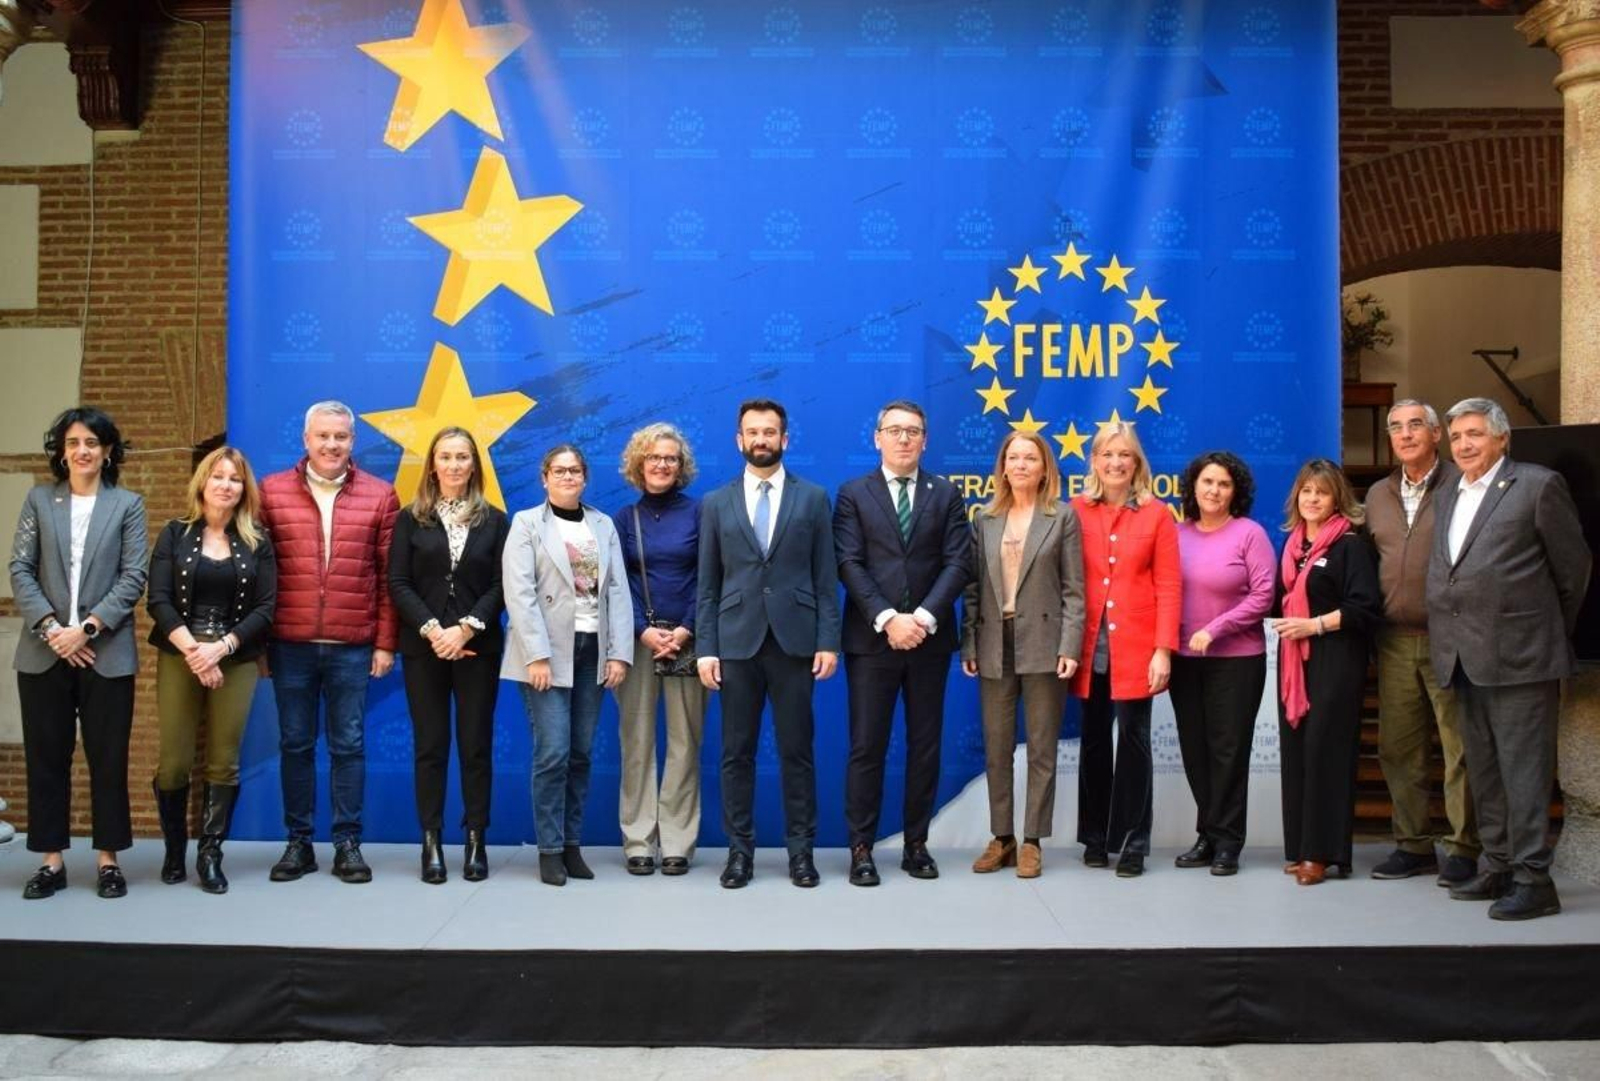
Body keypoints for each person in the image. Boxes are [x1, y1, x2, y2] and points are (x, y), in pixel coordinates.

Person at [1427, 397, 1590, 920]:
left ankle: (1533, 878)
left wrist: (1540, 629)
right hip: (1463, 655)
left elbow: (1574, 570)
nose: (1464, 445)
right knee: (1486, 770)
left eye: (1474, 434)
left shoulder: (1538, 485)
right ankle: (1497, 865)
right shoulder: (1451, 490)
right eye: (1456, 438)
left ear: (1502, 438)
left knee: (1524, 772)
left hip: (1522, 658)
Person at [696, 398, 841, 890]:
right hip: (736, 644)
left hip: (796, 643)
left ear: (785, 438)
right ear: (739, 440)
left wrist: (828, 641)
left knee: (797, 752)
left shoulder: (814, 498)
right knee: (736, 754)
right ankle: (740, 854)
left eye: (770, 432)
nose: (761, 440)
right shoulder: (716, 503)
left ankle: (802, 853)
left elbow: (826, 579)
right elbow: (708, 585)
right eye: (752, 432)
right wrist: (706, 648)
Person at [258, 400, 400, 884]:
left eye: (340, 436)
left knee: (349, 745)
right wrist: (259, 648)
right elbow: (259, 578)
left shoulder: (381, 496)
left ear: (352, 441)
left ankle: (347, 844)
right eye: (322, 436)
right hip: (288, 644)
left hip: (353, 645)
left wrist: (385, 643)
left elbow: (387, 579)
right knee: (295, 745)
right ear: (306, 439)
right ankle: (298, 843)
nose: (331, 445)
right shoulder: (270, 493)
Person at [10, 406, 147, 900]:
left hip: (104, 652)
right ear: (62, 451)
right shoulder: (39, 501)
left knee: (107, 759)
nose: (82, 451)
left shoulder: (127, 505)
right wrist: (52, 629)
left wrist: (85, 629)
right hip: (43, 653)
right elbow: (20, 568)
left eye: (92, 442)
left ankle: (108, 860)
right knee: (48, 757)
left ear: (108, 451)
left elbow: (134, 576)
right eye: (73, 443)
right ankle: (51, 861)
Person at [835, 400, 971, 885]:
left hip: (929, 643)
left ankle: (916, 844)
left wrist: (925, 617)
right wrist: (890, 619)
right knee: (867, 747)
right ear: (877, 438)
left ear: (925, 440)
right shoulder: (853, 494)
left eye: (913, 431)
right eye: (894, 430)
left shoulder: (946, 493)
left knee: (924, 746)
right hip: (873, 642)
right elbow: (848, 562)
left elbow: (959, 562)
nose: (904, 439)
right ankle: (861, 848)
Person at [147, 446, 277, 894]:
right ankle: (173, 847)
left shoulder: (257, 540)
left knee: (224, 760)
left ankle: (210, 852)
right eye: (218, 476)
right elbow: (158, 601)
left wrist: (219, 649)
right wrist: (195, 653)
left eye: (235, 479)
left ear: (245, 490)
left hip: (236, 657)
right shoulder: (174, 534)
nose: (226, 485)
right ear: (203, 482)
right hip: (179, 654)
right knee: (175, 762)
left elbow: (265, 607)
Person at [502, 444, 631, 887]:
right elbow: (518, 593)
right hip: (546, 653)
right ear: (544, 477)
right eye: (559, 470)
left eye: (575, 470)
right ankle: (550, 850)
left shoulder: (603, 524)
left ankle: (572, 845)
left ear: (585, 477)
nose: (568, 477)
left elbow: (617, 591)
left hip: (593, 648)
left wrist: (619, 652)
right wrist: (536, 654)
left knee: (580, 752)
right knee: (553, 751)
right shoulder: (526, 524)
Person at [1364, 400, 1479, 887]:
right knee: (1398, 748)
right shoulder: (1377, 494)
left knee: (1459, 749)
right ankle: (1413, 844)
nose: (1406, 434)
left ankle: (1463, 847)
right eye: (1396, 427)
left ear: (1437, 435)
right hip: (1393, 640)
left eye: (1416, 425)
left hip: (1450, 638)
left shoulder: (1464, 485)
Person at [960, 430, 1084, 879]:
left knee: (1041, 748)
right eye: (1013, 457)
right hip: (994, 643)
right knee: (996, 748)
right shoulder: (985, 520)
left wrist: (1070, 646)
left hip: (1046, 646)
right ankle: (1002, 838)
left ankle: (1032, 840)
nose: (1021, 465)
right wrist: (969, 642)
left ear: (1044, 466)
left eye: (1030, 458)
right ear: (1003, 466)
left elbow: (1074, 589)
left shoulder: (1062, 517)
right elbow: (972, 590)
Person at [388, 427, 510, 884]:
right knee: (431, 747)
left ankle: (476, 840)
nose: (455, 465)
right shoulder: (410, 518)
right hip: (425, 648)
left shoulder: (495, 520)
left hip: (478, 647)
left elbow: (503, 583)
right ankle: (432, 842)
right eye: (446, 457)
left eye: (463, 457)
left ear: (474, 465)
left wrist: (466, 627)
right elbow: (398, 582)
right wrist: (435, 630)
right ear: (432, 465)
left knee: (476, 747)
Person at [1070, 422, 1181, 879]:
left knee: (1134, 742)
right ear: (1094, 461)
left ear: (1137, 464)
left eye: (1125, 456)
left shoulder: (1157, 515)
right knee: (1094, 741)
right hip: (1088, 645)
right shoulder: (1075, 510)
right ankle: (1094, 837)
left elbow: (1170, 585)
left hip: (1137, 647)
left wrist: (1163, 651)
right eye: (1108, 454)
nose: (1116, 463)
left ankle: (1134, 840)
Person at [1270, 458, 1382, 886]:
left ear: (1337, 498)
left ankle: (1323, 853)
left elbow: (1363, 607)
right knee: (1297, 749)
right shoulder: (1292, 546)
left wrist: (1313, 625)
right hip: (1295, 663)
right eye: (1306, 491)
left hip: (1336, 658)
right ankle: (1300, 847)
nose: (1312, 499)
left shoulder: (1349, 545)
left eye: (1322, 492)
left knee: (1324, 752)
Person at [1169, 450, 1274, 876]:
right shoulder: (1176, 534)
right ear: (1193, 487)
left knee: (1228, 751)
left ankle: (1229, 841)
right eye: (1208, 482)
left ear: (1236, 492)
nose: (1214, 490)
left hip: (1237, 660)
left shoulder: (1249, 534)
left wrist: (1216, 628)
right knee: (1195, 750)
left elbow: (1264, 595)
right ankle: (1208, 835)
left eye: (1224, 484)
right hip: (1184, 660)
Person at [612, 423, 708, 876]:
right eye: (653, 457)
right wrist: (641, 631)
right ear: (638, 464)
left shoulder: (699, 514)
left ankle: (676, 841)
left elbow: (711, 578)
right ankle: (637, 839)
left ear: (680, 465)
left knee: (685, 744)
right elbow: (614, 584)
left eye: (670, 458)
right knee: (637, 743)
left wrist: (686, 629)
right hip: (638, 645)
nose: (662, 464)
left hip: (687, 643)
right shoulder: (622, 519)